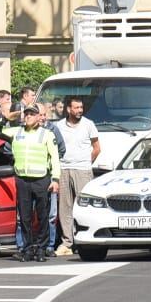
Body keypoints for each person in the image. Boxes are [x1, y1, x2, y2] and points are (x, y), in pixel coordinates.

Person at [0, 105, 61, 262]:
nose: (28, 116)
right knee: (25, 217)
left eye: (32, 114)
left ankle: (42, 249)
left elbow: (55, 158)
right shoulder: (17, 132)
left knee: (43, 216)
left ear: (38, 117)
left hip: (42, 179)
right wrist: (6, 118)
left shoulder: (47, 134)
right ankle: (28, 249)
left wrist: (55, 179)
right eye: (27, 114)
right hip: (22, 179)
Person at [54, 97, 100, 257]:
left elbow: (96, 148)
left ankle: (85, 240)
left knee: (84, 206)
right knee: (65, 208)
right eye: (76, 108)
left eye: (81, 107)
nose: (80, 110)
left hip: (83, 170)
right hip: (64, 169)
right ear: (68, 109)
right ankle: (67, 242)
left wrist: (86, 162)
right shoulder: (58, 126)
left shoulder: (89, 124)